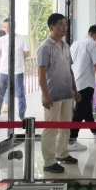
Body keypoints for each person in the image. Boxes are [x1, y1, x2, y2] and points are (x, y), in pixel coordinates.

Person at [37, 13, 80, 174]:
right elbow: (41, 73)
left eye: (65, 24)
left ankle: (62, 153)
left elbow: (69, 69)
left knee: (65, 126)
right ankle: (49, 162)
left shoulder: (66, 46)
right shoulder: (45, 47)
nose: (64, 27)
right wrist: (44, 94)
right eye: (61, 24)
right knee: (51, 129)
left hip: (67, 93)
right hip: (52, 94)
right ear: (51, 27)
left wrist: (74, 89)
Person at [67, 25, 96, 151]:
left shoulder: (75, 43)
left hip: (75, 81)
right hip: (86, 83)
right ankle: (71, 141)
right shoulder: (93, 44)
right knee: (80, 112)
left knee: (86, 109)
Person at [0, 18, 30, 120]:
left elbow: (26, 54)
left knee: (20, 94)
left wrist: (17, 61)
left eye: (8, 27)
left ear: (14, 27)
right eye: (5, 27)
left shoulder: (22, 39)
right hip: (3, 71)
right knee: (0, 93)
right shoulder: (1, 40)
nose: (6, 29)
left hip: (18, 71)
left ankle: (22, 115)